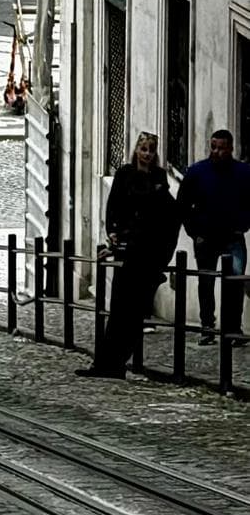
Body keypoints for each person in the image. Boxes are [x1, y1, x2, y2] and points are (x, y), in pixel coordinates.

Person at [78, 131, 179, 378]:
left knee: (135, 314)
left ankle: (117, 363)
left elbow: (167, 215)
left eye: (151, 150)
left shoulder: (159, 177)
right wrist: (113, 233)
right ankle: (105, 364)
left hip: (148, 252)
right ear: (136, 150)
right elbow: (114, 206)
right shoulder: (125, 174)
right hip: (128, 248)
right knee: (119, 309)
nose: (147, 154)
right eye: (143, 149)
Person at [177, 128, 250, 347]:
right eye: (214, 147)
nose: (217, 152)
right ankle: (207, 327)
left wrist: (243, 224)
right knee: (206, 283)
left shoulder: (243, 172)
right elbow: (183, 205)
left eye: (221, 148)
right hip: (206, 238)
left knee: (235, 282)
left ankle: (233, 329)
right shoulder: (197, 172)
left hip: (233, 237)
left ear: (231, 148)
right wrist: (194, 232)